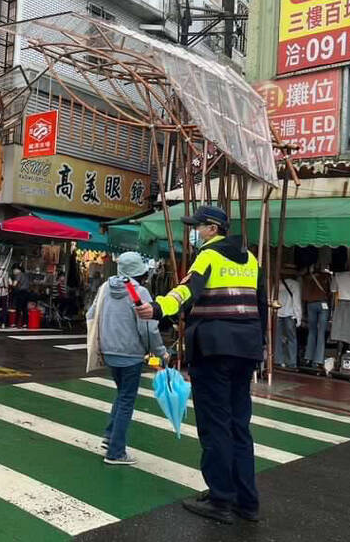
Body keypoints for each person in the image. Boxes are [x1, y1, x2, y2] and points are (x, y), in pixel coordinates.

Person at [136, 205, 267, 525]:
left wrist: (157, 308)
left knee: (216, 425)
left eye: (196, 227)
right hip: (245, 350)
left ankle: (221, 499)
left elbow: (186, 292)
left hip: (213, 349)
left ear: (211, 228)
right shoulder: (251, 260)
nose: (193, 232)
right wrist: (257, 345)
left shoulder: (208, 256)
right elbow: (260, 304)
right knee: (239, 424)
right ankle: (246, 501)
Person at [87, 252, 167, 465]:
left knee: (121, 394)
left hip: (108, 352)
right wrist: (160, 352)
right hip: (130, 354)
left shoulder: (105, 288)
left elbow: (90, 315)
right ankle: (115, 452)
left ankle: (109, 435)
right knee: (126, 401)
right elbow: (148, 328)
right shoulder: (138, 292)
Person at [302, 263, 331, 367]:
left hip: (311, 304)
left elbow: (304, 296)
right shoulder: (326, 277)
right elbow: (330, 292)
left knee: (312, 331)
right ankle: (318, 360)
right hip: (323, 303)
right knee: (321, 332)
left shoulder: (307, 278)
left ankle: (308, 358)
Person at [276, 274, 302, 369]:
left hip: (277, 313)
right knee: (292, 339)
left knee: (278, 339)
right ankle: (292, 362)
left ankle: (278, 360)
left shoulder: (277, 284)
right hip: (290, 315)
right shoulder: (295, 284)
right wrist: (298, 318)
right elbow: (296, 302)